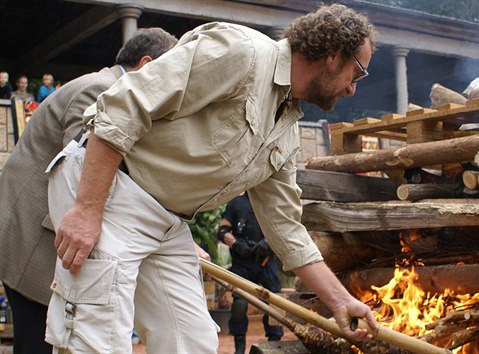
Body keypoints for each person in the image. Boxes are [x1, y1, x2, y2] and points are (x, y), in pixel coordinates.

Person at [48, 4, 378, 353]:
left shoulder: (285, 131)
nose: (353, 90)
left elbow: (286, 230)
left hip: (166, 219)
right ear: (333, 55)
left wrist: (341, 302)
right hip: (111, 186)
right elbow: (120, 107)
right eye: (356, 75)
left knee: (191, 341)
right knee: (98, 339)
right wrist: (86, 208)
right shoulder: (242, 53)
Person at [0, 27, 178, 354]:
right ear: (148, 63)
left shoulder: (104, 86)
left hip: (43, 234)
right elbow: (84, 169)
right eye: (171, 72)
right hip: (35, 239)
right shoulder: (102, 89)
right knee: (36, 341)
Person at [218, 192, 284, 353]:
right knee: (240, 303)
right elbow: (222, 231)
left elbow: (284, 228)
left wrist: (268, 242)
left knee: (276, 301)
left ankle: (275, 342)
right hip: (242, 263)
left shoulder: (273, 201)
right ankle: (239, 345)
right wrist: (236, 244)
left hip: (266, 263)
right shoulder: (236, 203)